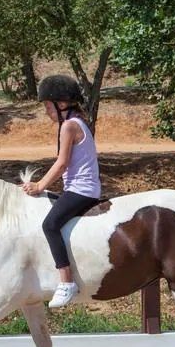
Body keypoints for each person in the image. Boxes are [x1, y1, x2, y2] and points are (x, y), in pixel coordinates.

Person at [21, 75, 101, 309]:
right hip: (81, 188)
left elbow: (62, 163)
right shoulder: (79, 122)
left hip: (82, 191)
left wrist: (39, 186)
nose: (47, 111)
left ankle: (66, 282)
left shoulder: (69, 126)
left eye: (48, 106)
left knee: (50, 225)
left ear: (62, 104)